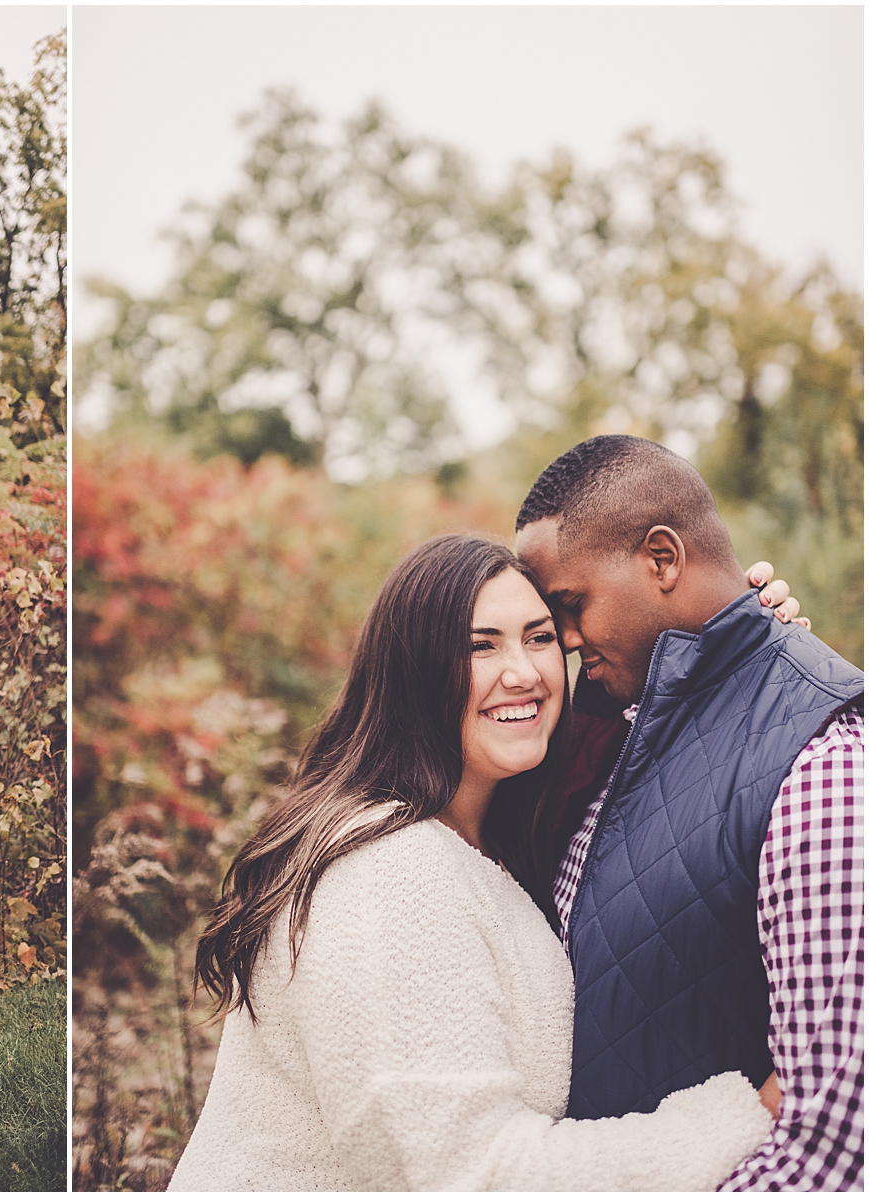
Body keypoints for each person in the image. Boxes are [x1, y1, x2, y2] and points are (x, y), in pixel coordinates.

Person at [170, 534, 780, 1191]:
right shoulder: (389, 873)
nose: (522, 671)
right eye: (480, 644)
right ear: (414, 669)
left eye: (540, 636)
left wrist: (736, 642)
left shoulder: (482, 839)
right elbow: (477, 1175)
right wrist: (739, 1119)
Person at [513, 435, 863, 1190]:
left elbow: (834, 1144)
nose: (564, 643)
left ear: (663, 559)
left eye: (569, 607)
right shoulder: (609, 725)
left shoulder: (824, 768)